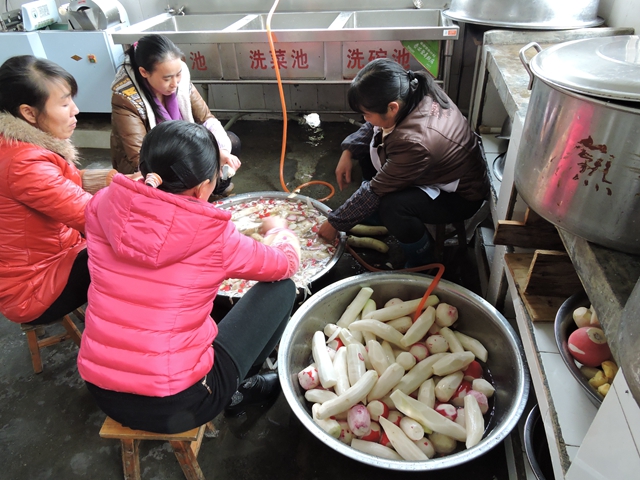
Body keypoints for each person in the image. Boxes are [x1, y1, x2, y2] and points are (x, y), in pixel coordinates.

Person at [77, 120, 301, 434]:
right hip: (181, 402)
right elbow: (285, 263)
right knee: (282, 289)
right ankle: (241, 386)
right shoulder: (212, 233)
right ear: (202, 187)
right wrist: (279, 230)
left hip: (102, 388)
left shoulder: (101, 204)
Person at [318, 58, 489, 267]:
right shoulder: (410, 90)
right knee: (365, 152)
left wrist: (335, 223)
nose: (364, 118)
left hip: (460, 195)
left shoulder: (416, 141)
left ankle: (421, 261)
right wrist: (349, 151)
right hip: (433, 167)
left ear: (392, 108)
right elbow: (375, 126)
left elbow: (376, 190)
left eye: (366, 114)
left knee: (393, 207)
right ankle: (372, 217)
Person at [0, 55, 116, 325]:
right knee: (126, 255)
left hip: (55, 255)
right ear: (29, 113)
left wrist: (115, 181)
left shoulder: (15, 146)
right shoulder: (24, 163)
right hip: (32, 286)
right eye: (64, 103)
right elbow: (95, 217)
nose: (76, 110)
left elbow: (60, 186)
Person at [110, 34, 241, 198]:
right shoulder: (126, 98)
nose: (175, 83)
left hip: (179, 147)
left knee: (231, 142)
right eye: (167, 78)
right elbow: (140, 156)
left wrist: (220, 151)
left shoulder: (181, 81)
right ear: (144, 72)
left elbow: (206, 118)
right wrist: (208, 154)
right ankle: (197, 200)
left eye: (178, 74)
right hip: (153, 159)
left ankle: (217, 191)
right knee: (193, 165)